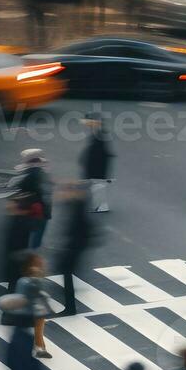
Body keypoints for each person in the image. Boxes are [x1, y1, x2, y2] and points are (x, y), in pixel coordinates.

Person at [52, 181, 95, 314]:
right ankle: (69, 305)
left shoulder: (77, 205)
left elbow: (77, 227)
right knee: (66, 271)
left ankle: (70, 307)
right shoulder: (78, 204)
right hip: (76, 244)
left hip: (74, 245)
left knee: (66, 272)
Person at [82, 114, 113, 213]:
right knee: (97, 185)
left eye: (89, 122)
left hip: (98, 165)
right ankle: (100, 206)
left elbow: (99, 152)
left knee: (98, 184)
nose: (87, 124)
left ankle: (101, 206)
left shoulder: (100, 134)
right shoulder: (98, 132)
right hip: (98, 165)